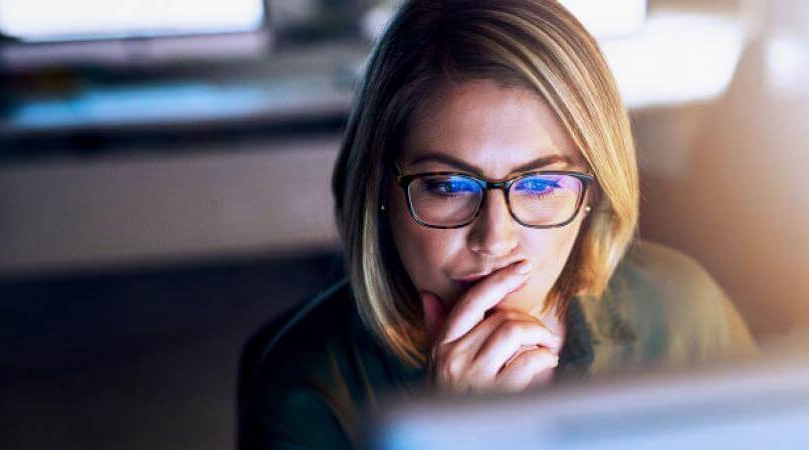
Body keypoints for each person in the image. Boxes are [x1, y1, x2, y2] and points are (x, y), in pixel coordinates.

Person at [238, 1, 759, 448]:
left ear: (593, 192)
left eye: (540, 186)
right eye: (447, 186)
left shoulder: (683, 313)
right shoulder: (306, 389)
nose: (495, 240)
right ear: (380, 191)